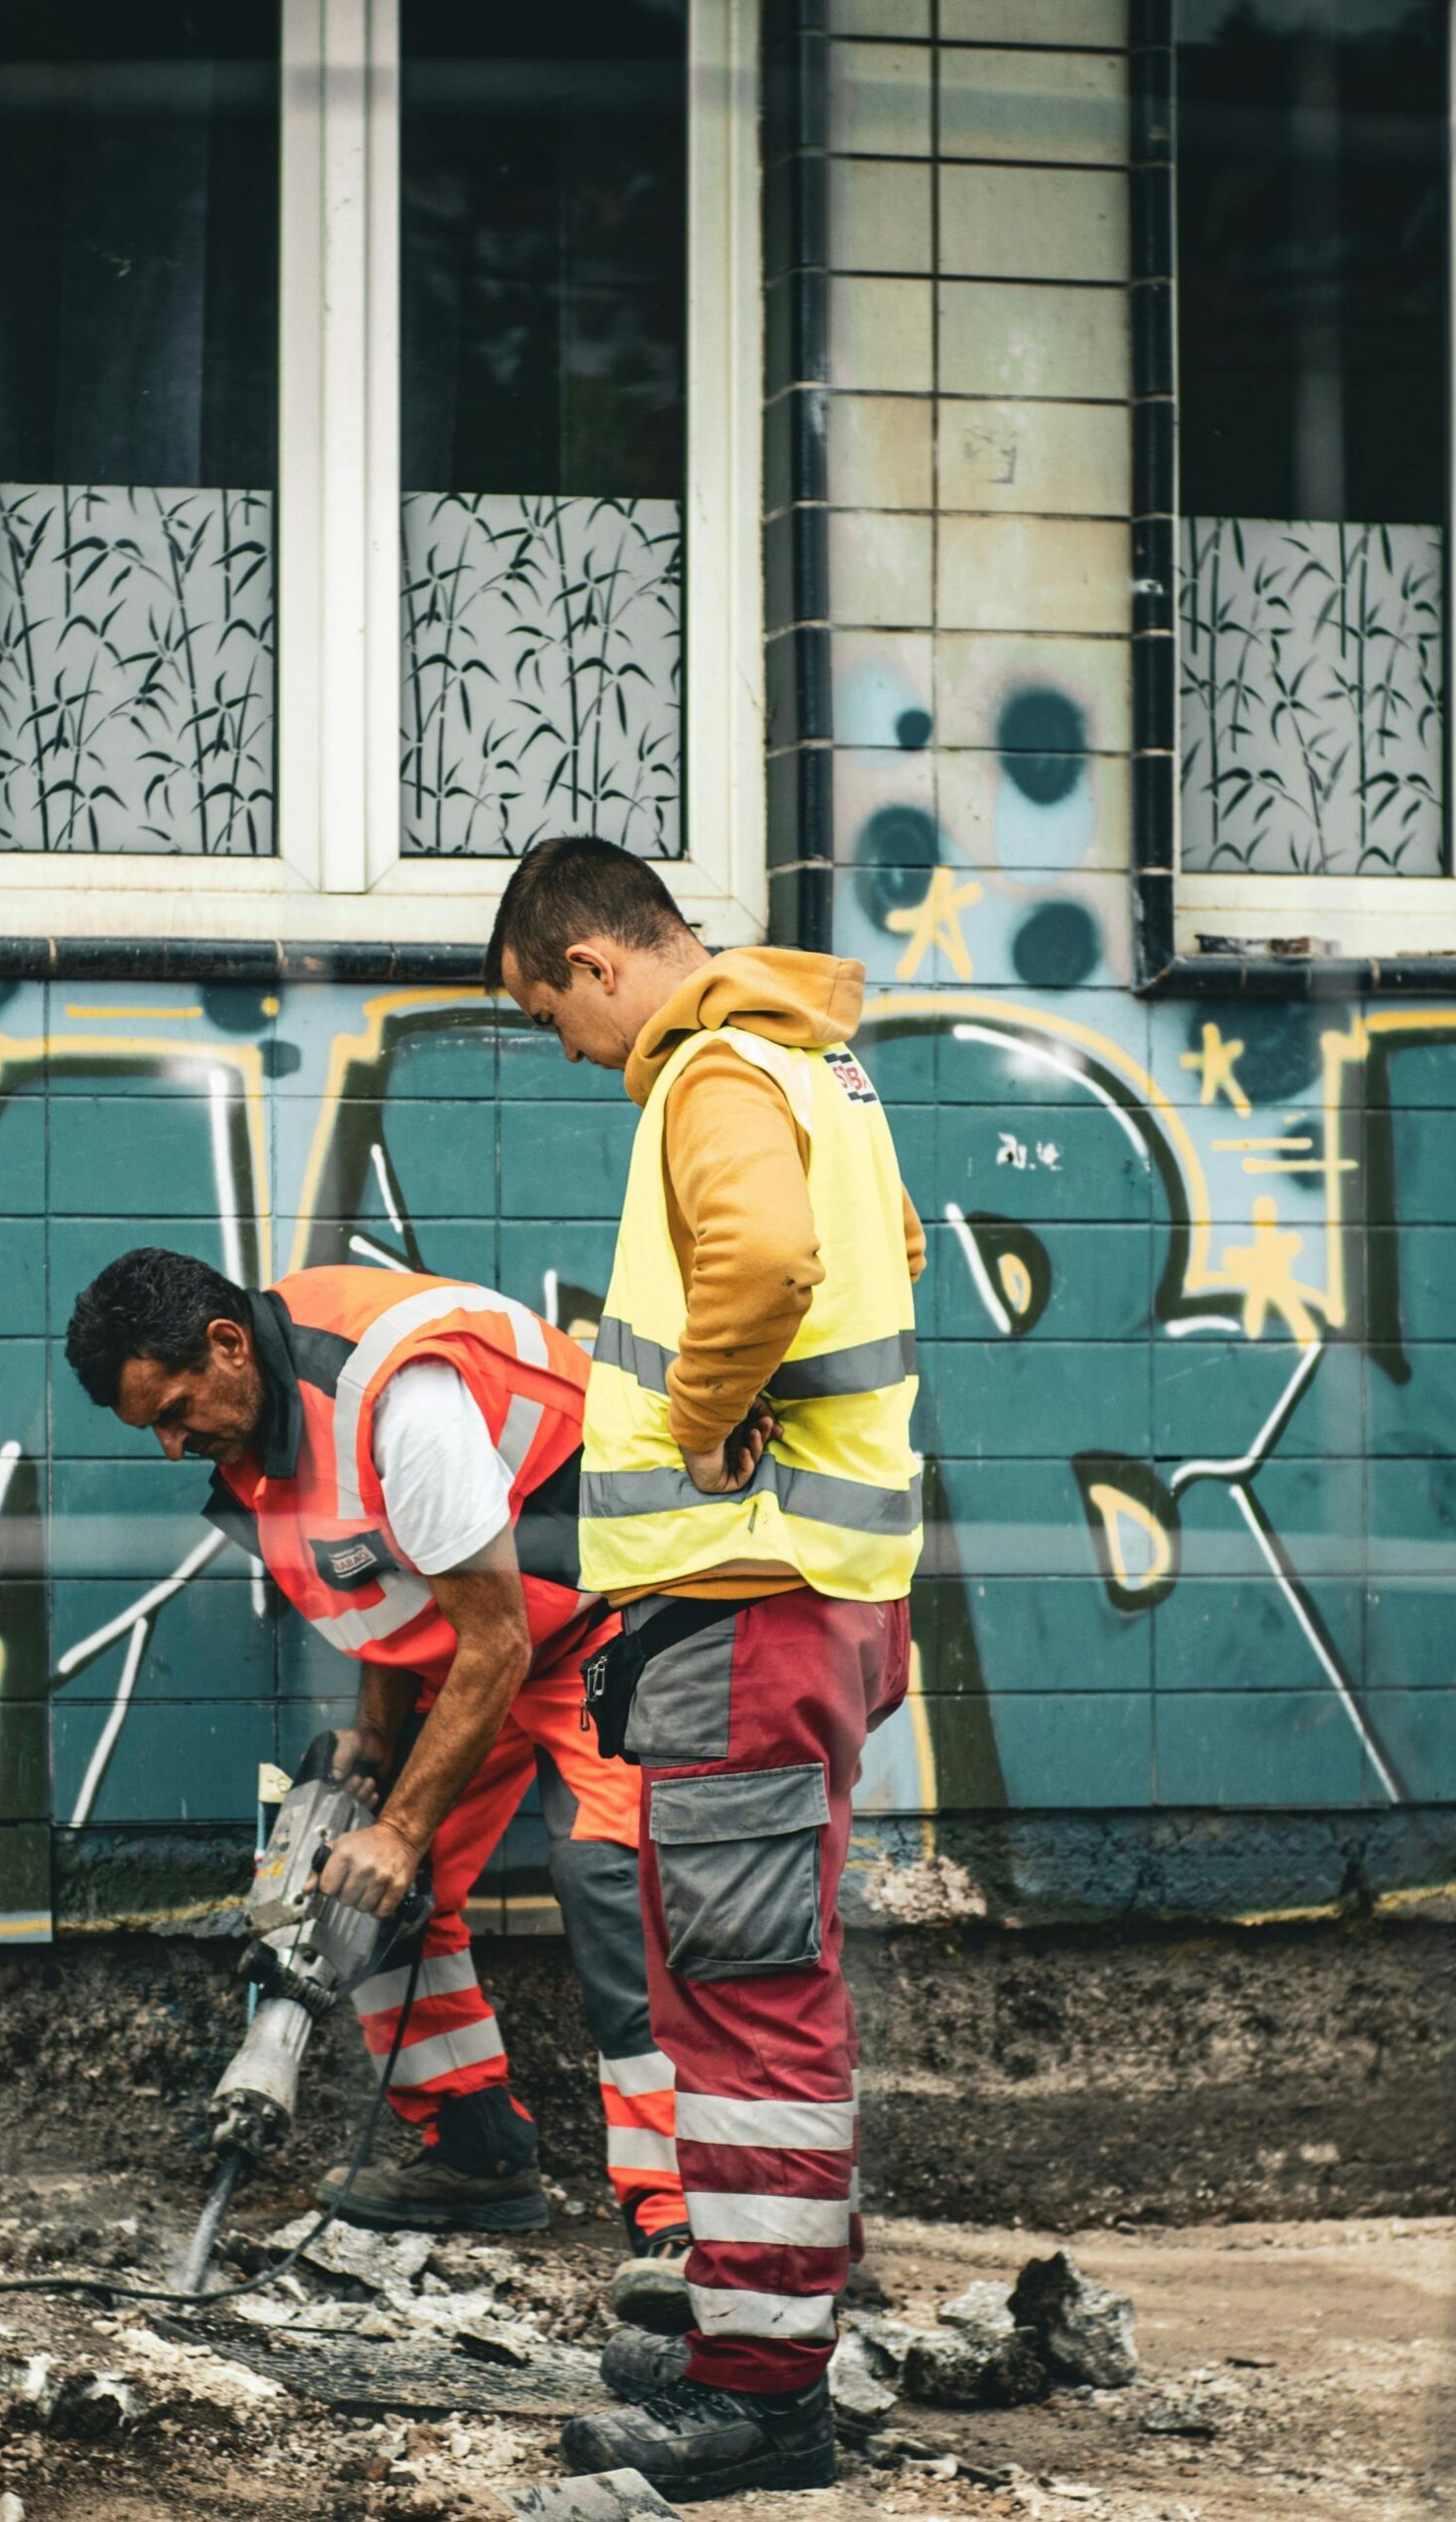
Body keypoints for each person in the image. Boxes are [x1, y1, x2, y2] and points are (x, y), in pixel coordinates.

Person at [487, 838, 926, 2500]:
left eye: (551, 1016)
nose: (572, 1053)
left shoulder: (710, 1076)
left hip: (747, 1599)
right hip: (810, 1598)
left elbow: (762, 1264)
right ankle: (771, 2318)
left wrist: (697, 1413)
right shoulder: (818, 1070)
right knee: (750, 1973)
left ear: (597, 965)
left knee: (742, 1994)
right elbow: (883, 1252)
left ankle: (761, 2394)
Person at [64, 1249, 690, 2313]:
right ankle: (470, 2148)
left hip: (608, 1625)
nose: (174, 1444)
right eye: (152, 1429)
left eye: (174, 1410)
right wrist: (370, 1745)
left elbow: (490, 1640)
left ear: (224, 1343)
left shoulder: (399, 1396)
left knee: (609, 1883)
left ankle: (680, 2215)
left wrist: (403, 1829)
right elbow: (386, 1572)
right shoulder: (265, 1419)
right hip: (484, 1641)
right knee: (347, 1885)